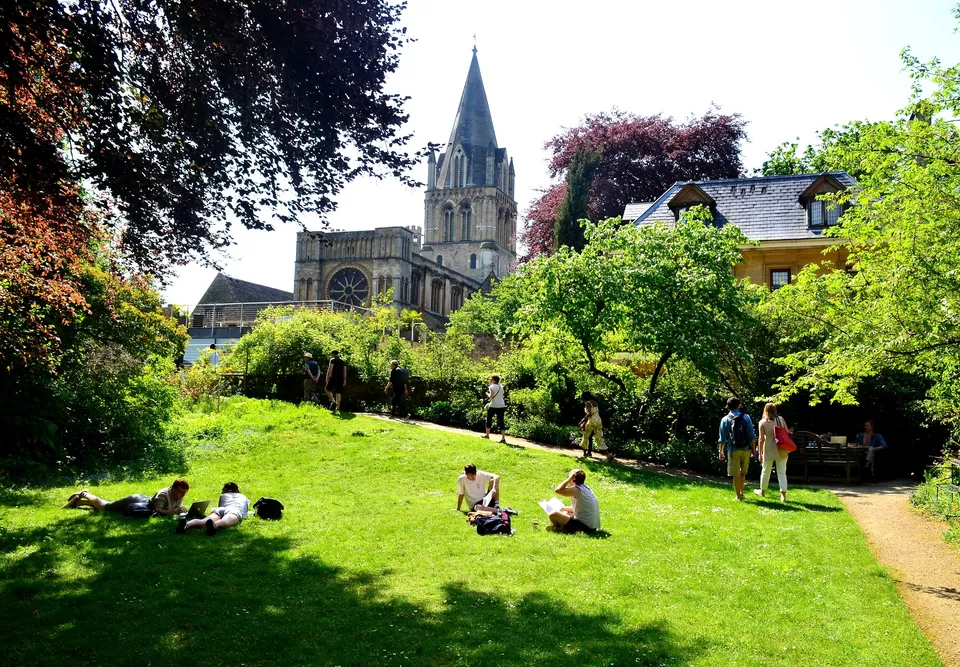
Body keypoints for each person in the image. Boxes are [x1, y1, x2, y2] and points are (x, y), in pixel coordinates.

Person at [63, 479, 190, 516]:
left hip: (142, 501)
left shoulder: (177, 494)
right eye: (181, 492)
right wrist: (175, 511)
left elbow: (172, 509)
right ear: (174, 489)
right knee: (105, 506)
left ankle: (78, 503)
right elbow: (158, 510)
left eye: (185, 493)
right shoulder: (163, 495)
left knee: (106, 507)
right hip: (135, 501)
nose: (183, 495)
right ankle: (84, 494)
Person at [718, 397, 757, 501]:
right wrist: (754, 449)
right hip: (746, 449)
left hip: (733, 449)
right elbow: (752, 435)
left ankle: (738, 496)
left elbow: (722, 438)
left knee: (735, 473)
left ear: (728, 406)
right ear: (738, 405)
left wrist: (720, 451)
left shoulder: (725, 419)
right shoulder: (746, 417)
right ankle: (742, 493)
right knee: (743, 472)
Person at [177, 482, 249, 536]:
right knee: (225, 521)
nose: (222, 492)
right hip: (234, 510)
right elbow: (244, 513)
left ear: (229, 490)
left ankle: (186, 524)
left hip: (221, 509)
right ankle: (214, 525)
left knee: (203, 521)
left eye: (223, 490)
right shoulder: (243, 497)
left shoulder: (223, 496)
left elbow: (221, 506)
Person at [754, 403, 789, 502]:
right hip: (781, 448)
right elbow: (787, 432)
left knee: (765, 471)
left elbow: (761, 439)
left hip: (768, 448)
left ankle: (762, 491)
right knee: (782, 473)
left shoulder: (762, 422)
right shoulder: (780, 419)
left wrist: (760, 453)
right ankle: (783, 495)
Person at [547, 469, 600, 534]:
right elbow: (579, 508)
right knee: (565, 512)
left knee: (553, 514)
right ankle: (561, 526)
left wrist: (569, 479)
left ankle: (559, 529)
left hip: (586, 528)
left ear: (572, 478)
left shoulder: (577, 490)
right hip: (591, 527)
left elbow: (558, 490)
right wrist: (562, 508)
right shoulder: (585, 488)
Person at [579, 392, 613, 461]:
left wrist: (582, 421)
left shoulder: (587, 403)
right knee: (599, 437)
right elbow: (595, 412)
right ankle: (608, 454)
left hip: (592, 421)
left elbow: (589, 413)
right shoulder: (595, 402)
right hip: (598, 420)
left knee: (585, 436)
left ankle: (585, 454)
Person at [482, 375, 507, 443]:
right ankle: (503, 438)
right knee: (501, 421)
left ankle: (487, 435)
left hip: (493, 405)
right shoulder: (501, 387)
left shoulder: (492, 387)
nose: (490, 380)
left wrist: (487, 394)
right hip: (501, 405)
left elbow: (491, 396)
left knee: (489, 419)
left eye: (491, 379)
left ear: (494, 380)